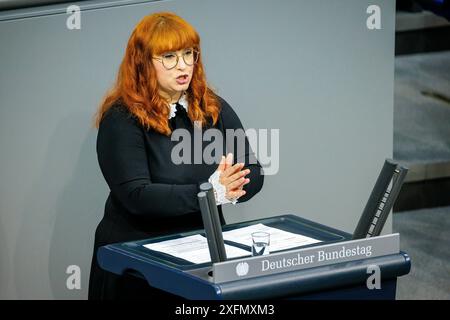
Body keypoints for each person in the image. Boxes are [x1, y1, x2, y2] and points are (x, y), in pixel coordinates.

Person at [88, 12, 264, 300]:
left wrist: (232, 186)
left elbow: (253, 170)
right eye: (169, 57)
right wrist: (209, 193)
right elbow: (137, 195)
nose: (183, 65)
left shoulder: (211, 106)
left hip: (203, 254)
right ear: (143, 63)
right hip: (138, 263)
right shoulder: (121, 118)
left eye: (188, 54)